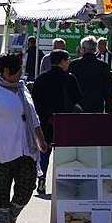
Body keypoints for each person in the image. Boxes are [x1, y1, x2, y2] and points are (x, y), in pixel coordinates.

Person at [0, 53, 47, 223]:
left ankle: (11, 216)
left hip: (25, 147)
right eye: (18, 70)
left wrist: (41, 140)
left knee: (27, 187)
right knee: (0, 190)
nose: (21, 73)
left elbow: (33, 117)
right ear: (6, 71)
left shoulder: (23, 89)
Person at [32, 49, 83, 194]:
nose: (69, 63)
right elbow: (78, 99)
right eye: (67, 60)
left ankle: (41, 179)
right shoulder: (70, 78)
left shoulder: (41, 78)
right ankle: (65, 183)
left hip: (45, 120)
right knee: (65, 154)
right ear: (62, 61)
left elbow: (35, 100)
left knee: (44, 151)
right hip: (65, 121)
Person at [70, 35, 112, 114]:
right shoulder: (103, 66)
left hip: (78, 106)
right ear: (95, 49)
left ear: (82, 49)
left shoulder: (74, 65)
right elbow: (108, 91)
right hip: (97, 106)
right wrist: (109, 111)